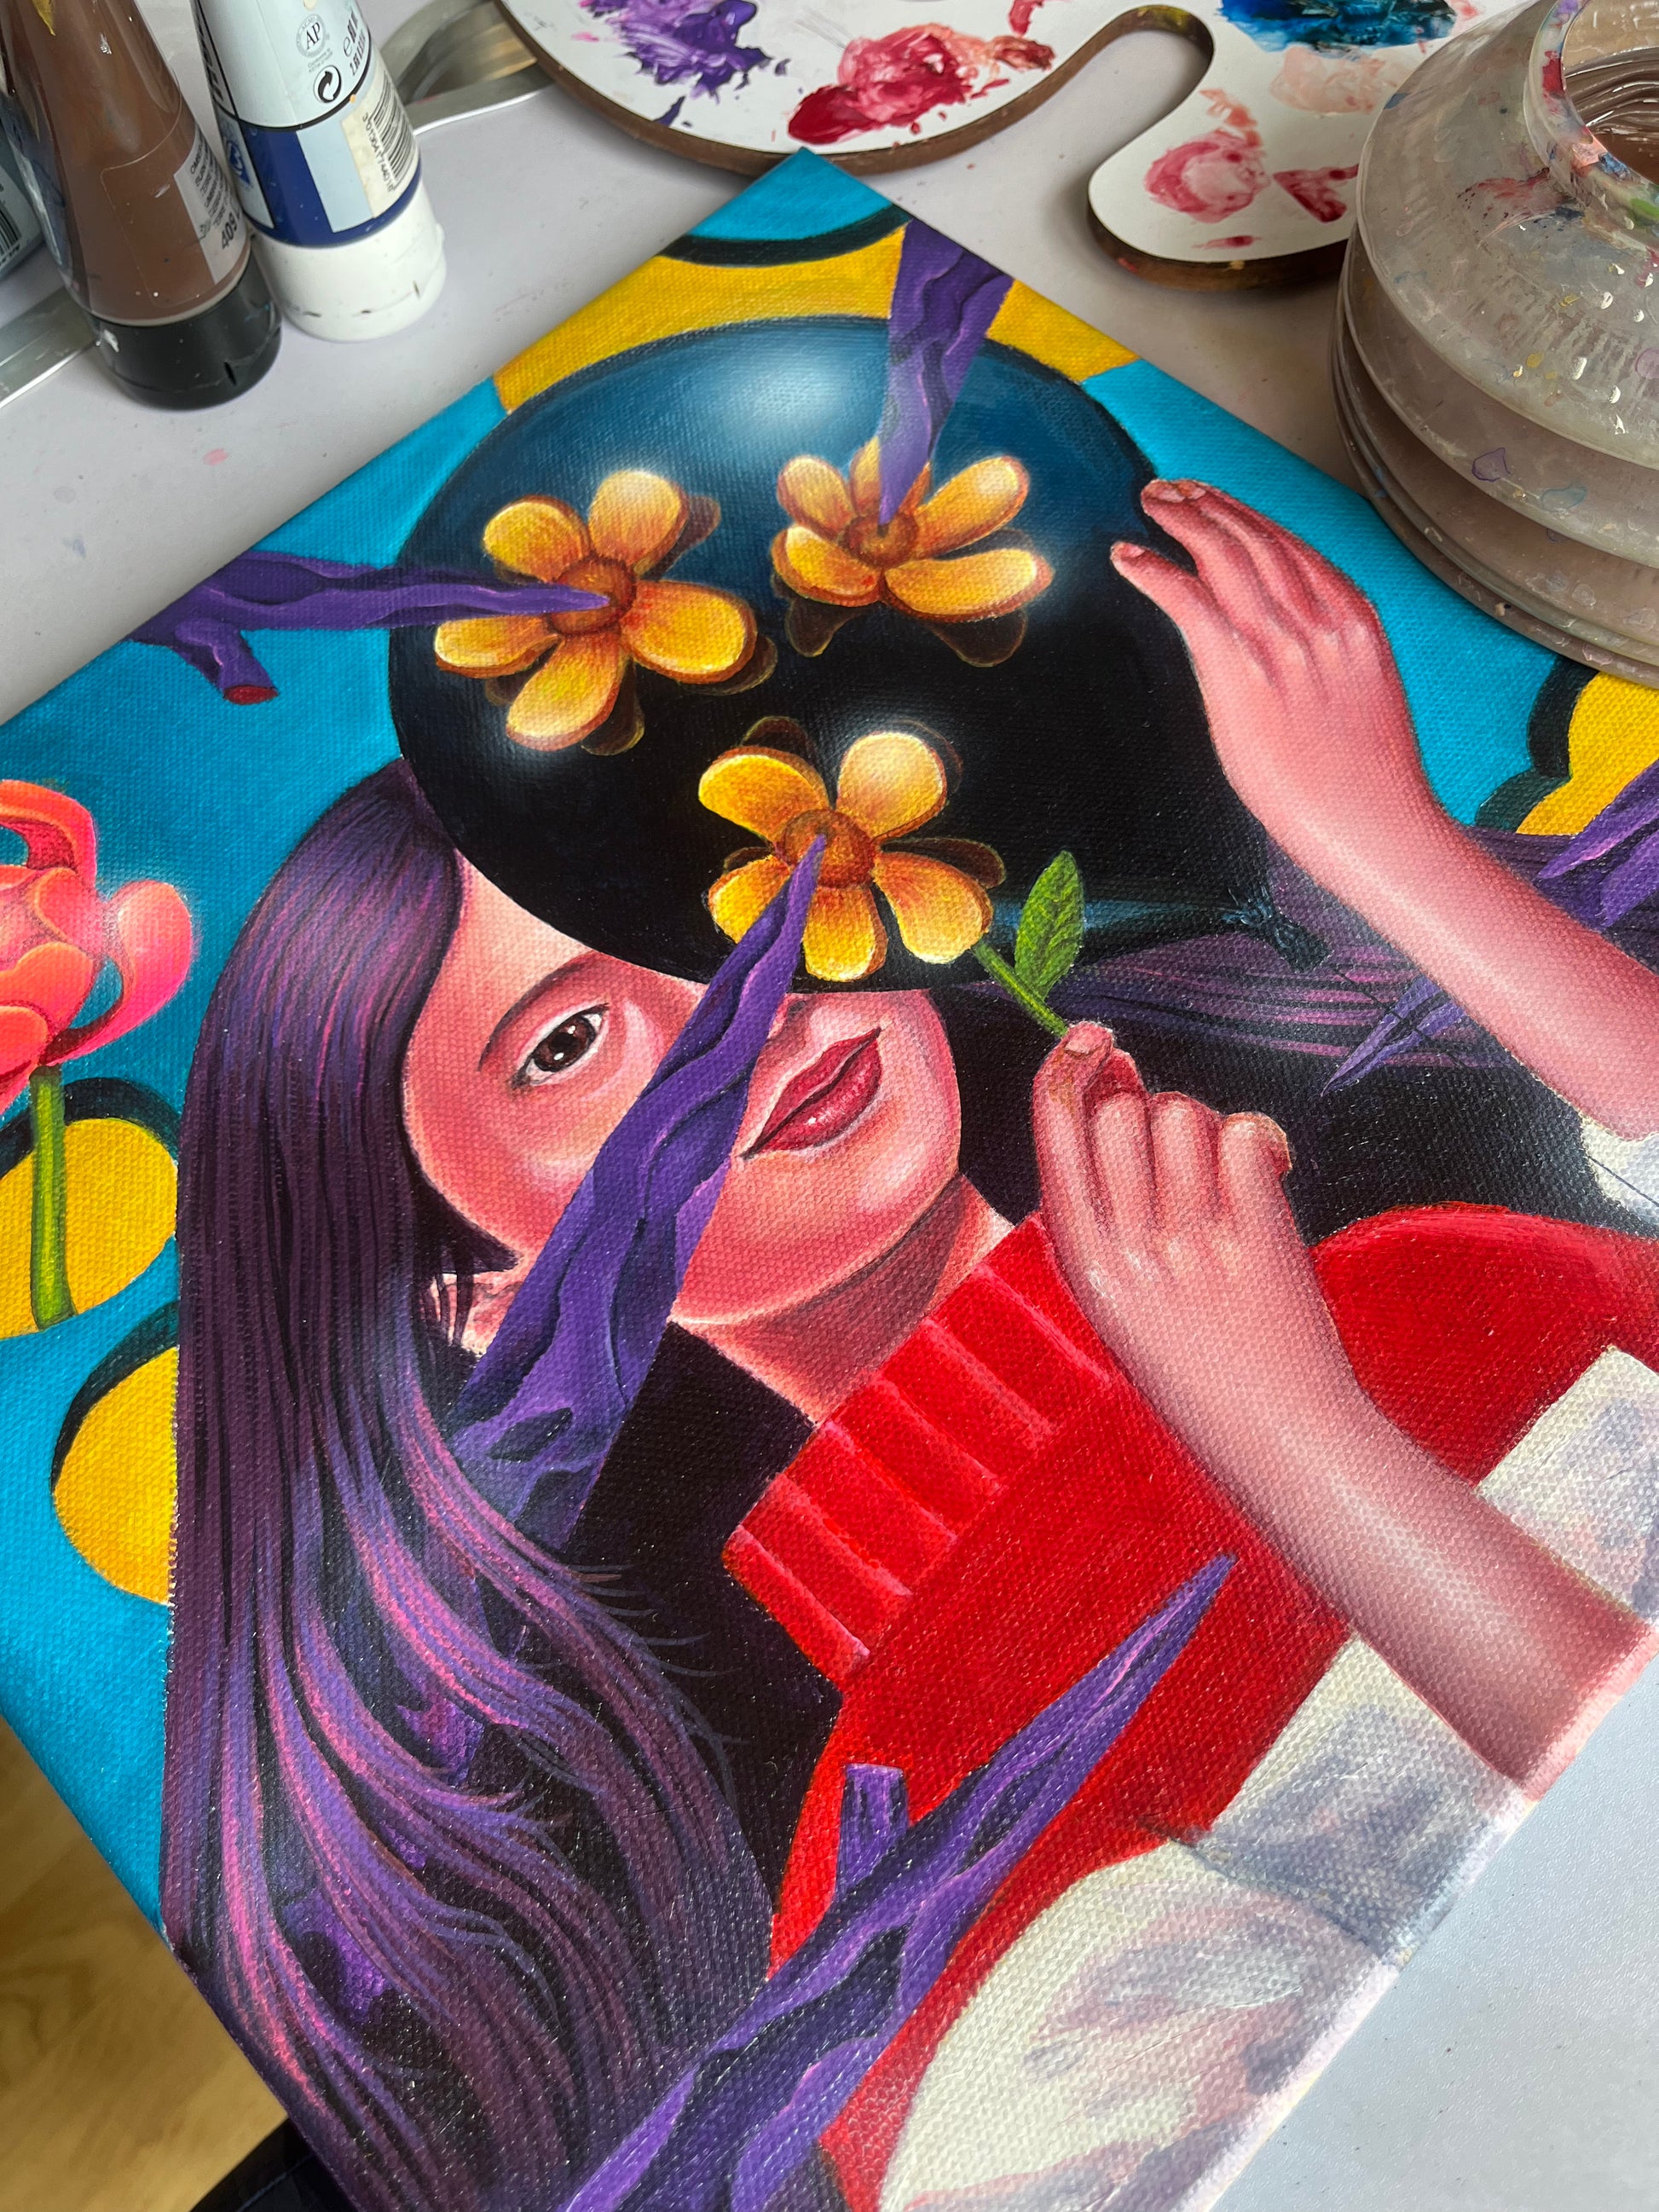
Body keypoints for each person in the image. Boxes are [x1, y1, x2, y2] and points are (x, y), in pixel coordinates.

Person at [161, 484, 1659, 2212]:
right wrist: (1288, 1437)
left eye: (709, 911)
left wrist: (1382, 837)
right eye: (568, 1042)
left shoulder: (1443, 1253)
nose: (745, 1018)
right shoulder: (892, 1857)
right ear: (479, 1301)